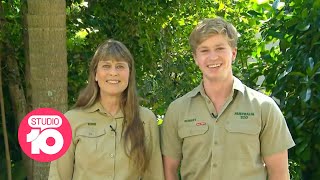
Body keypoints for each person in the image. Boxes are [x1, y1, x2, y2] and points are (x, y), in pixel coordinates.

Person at [160, 17, 295, 180]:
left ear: (233, 53)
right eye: (204, 50)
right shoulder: (177, 110)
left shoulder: (264, 108)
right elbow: (169, 172)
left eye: (219, 48)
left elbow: (279, 174)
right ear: (195, 58)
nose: (213, 57)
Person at [49, 39, 164, 180]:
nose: (113, 73)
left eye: (120, 66)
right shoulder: (71, 120)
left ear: (130, 74)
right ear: (95, 74)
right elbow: (58, 177)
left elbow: (155, 175)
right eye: (106, 66)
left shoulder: (146, 119)